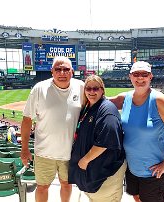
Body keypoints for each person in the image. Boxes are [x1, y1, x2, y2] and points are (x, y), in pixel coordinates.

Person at [109, 61, 164, 202]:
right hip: (133, 169)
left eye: (144, 74)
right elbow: (99, 100)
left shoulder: (158, 100)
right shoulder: (125, 98)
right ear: (130, 77)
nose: (140, 78)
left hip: (154, 174)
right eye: (136, 74)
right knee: (136, 197)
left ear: (150, 76)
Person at [21, 56, 84, 202]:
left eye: (66, 69)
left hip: (70, 152)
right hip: (44, 152)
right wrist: (24, 148)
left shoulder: (80, 86)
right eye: (58, 69)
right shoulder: (39, 88)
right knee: (42, 187)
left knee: (67, 185)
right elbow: (26, 119)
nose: (62, 73)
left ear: (72, 71)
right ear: (52, 71)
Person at [68, 75, 126, 201]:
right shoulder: (89, 107)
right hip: (94, 173)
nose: (91, 91)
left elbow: (107, 141)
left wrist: (84, 160)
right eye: (88, 88)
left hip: (106, 175)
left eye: (96, 88)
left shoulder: (107, 110)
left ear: (102, 90)